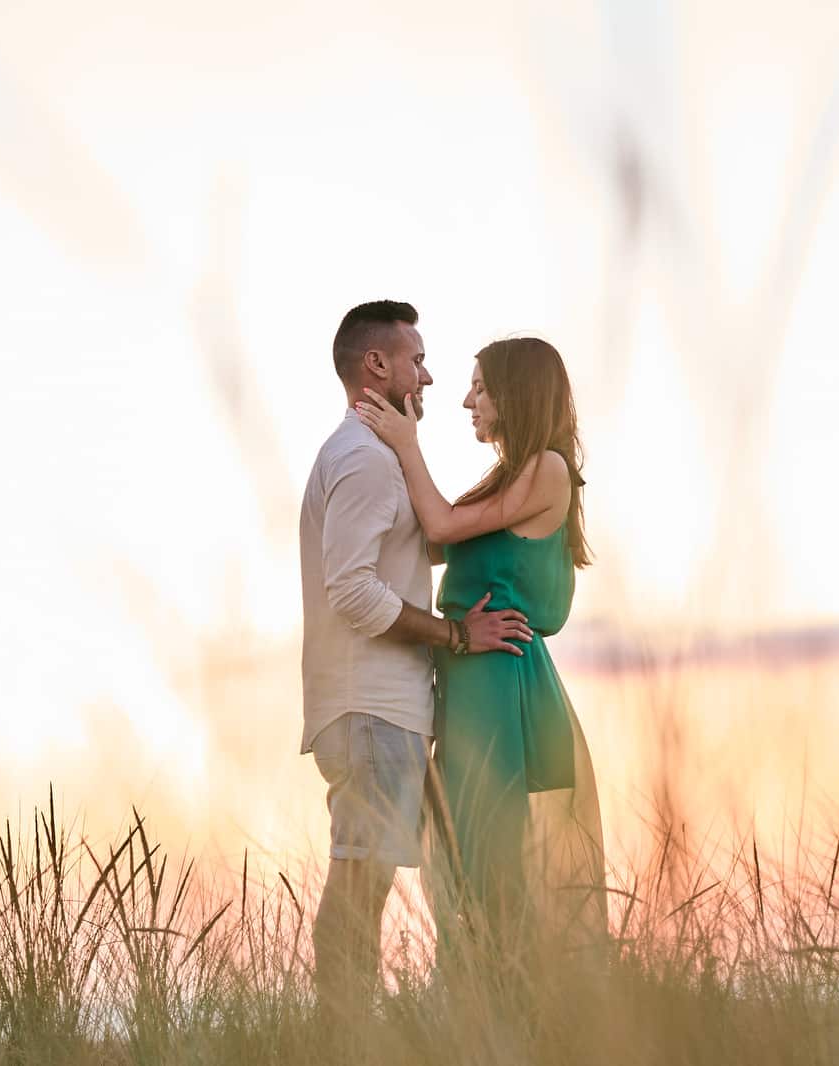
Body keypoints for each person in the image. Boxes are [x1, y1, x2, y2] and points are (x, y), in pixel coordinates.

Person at [299, 300, 533, 1020]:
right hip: (369, 708)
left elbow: (409, 549)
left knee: (365, 881)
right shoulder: (365, 459)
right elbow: (354, 593)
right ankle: (340, 1038)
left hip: (378, 706)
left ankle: (348, 1032)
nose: (429, 376)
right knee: (360, 884)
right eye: (418, 360)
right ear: (378, 364)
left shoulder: (372, 457)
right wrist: (458, 635)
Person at [355, 336, 606, 964]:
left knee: (491, 856)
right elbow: (432, 543)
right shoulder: (509, 475)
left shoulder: (547, 468)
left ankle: (515, 1011)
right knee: (467, 855)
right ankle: (483, 1009)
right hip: (469, 676)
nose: (467, 400)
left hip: (498, 679)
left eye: (481, 387)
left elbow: (439, 527)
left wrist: (406, 444)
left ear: (515, 394)